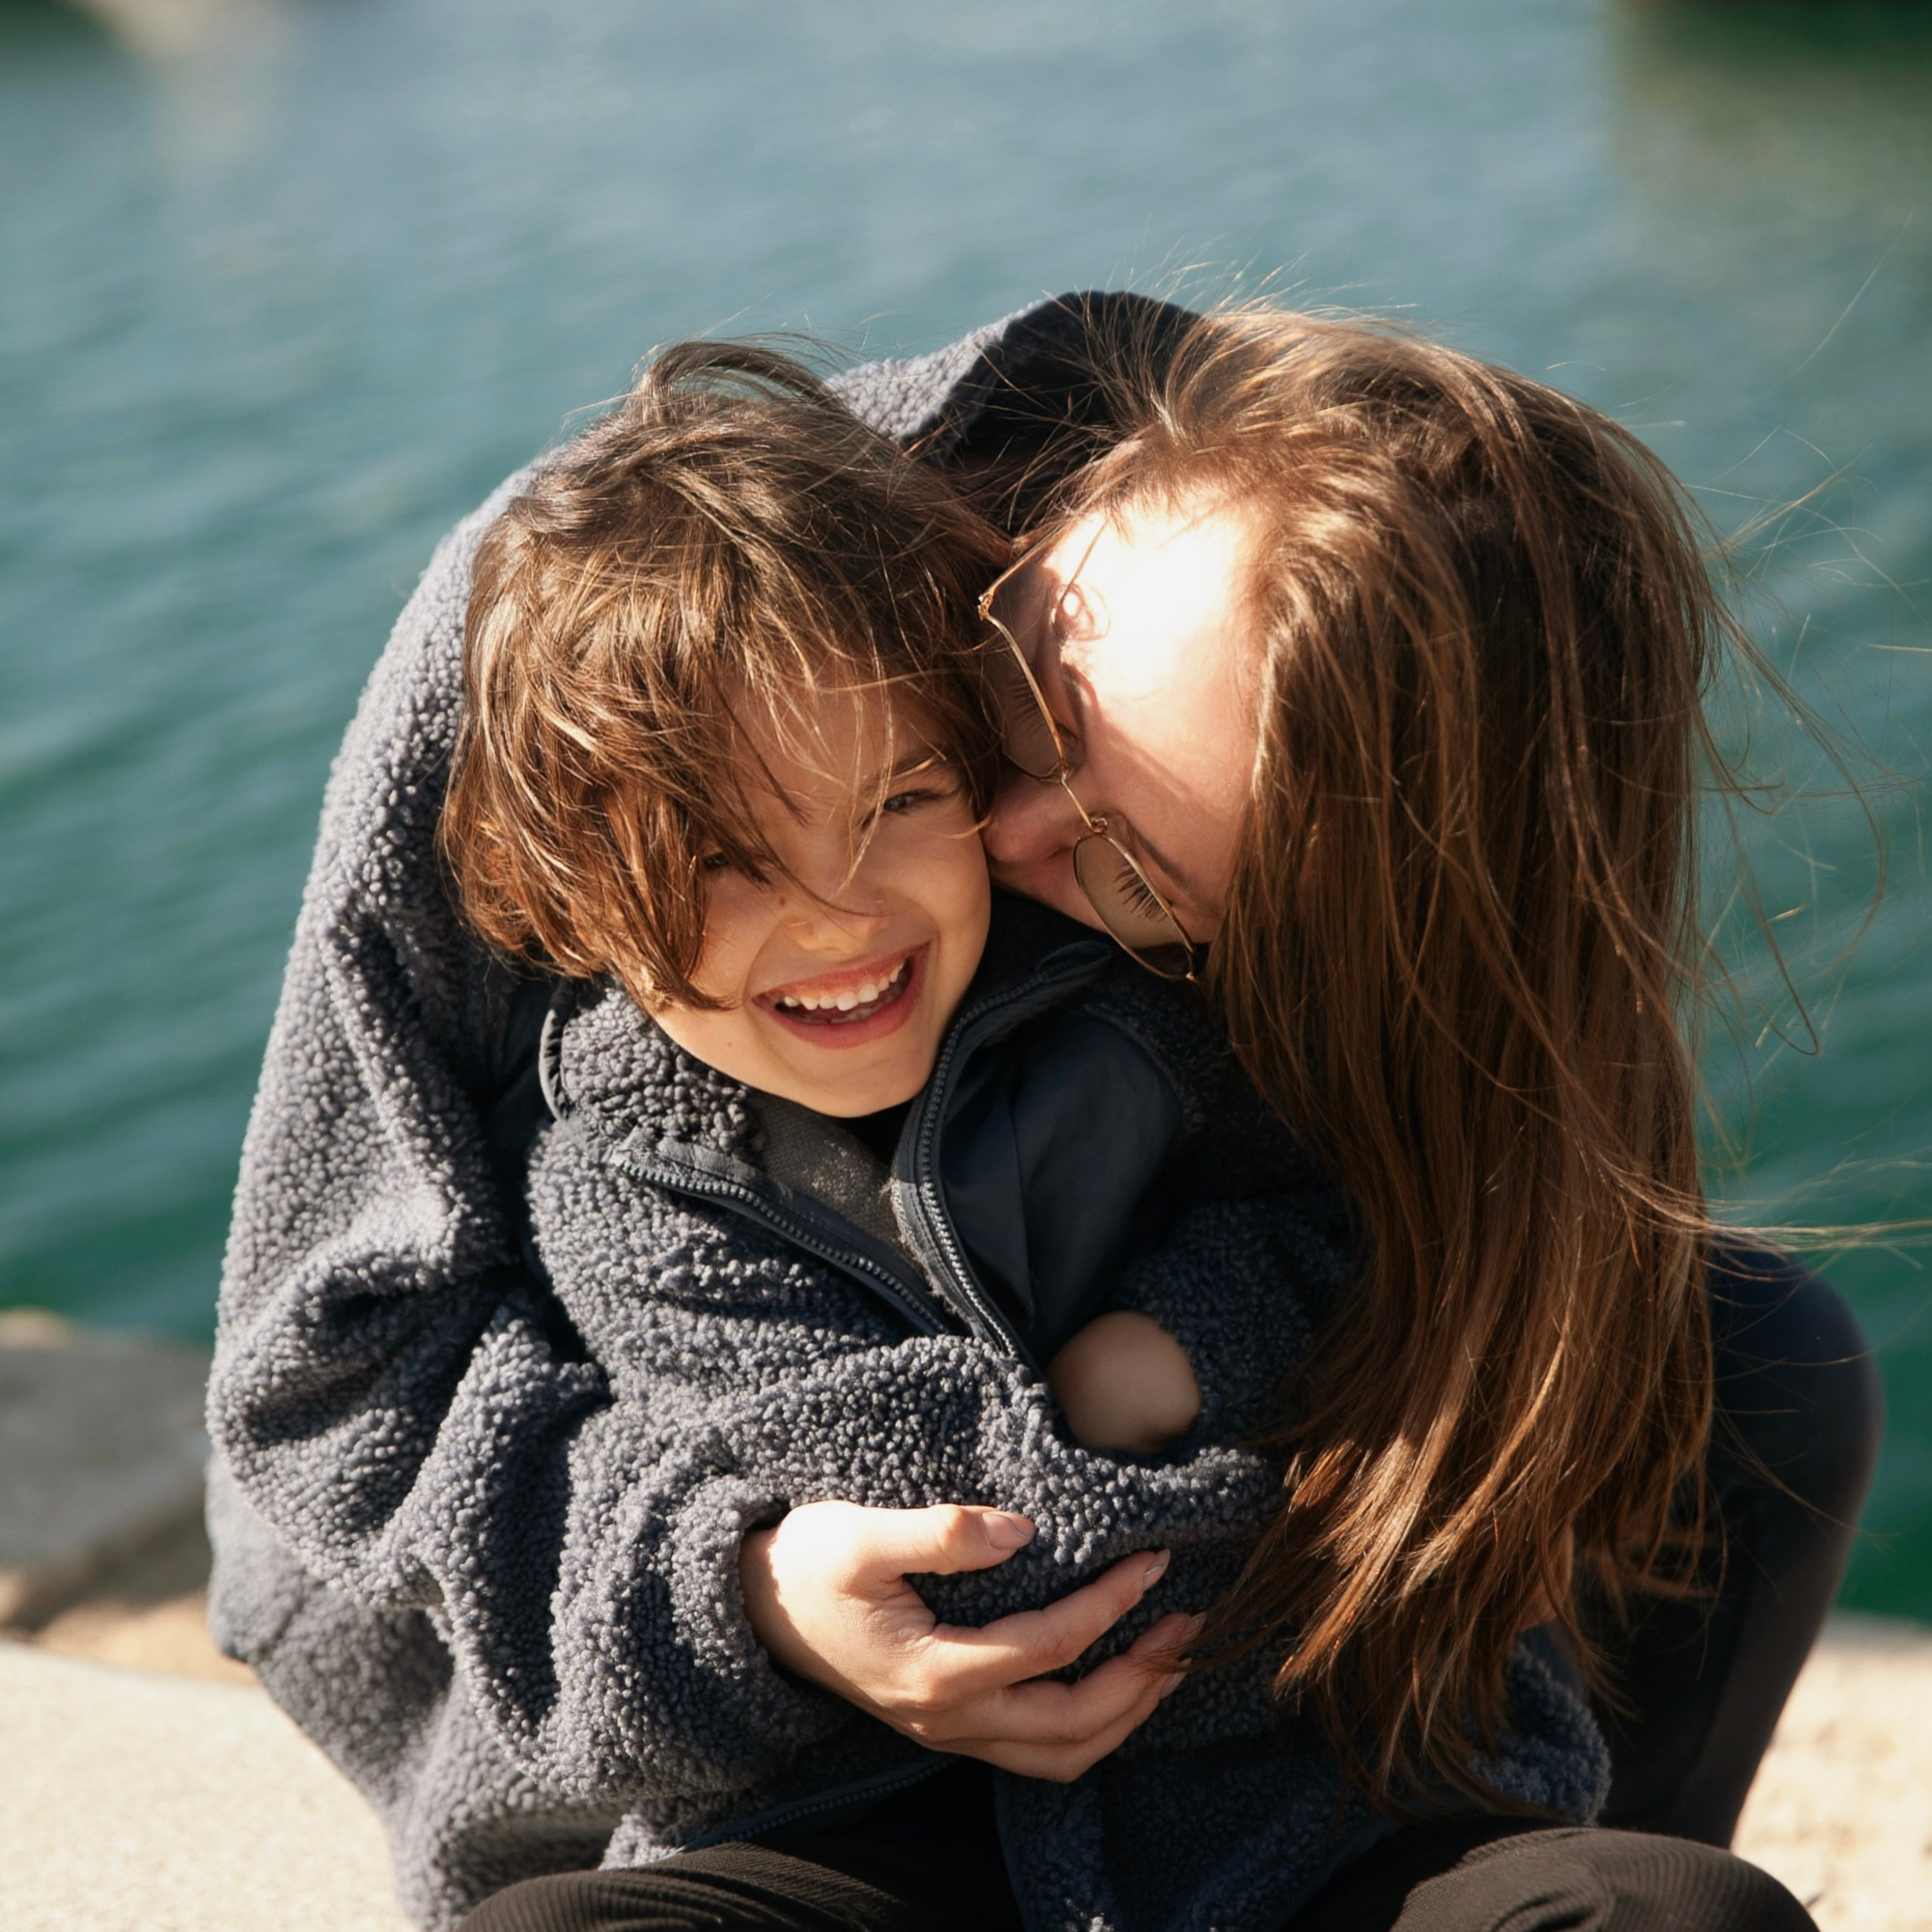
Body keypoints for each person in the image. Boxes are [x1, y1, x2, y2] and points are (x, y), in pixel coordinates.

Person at [203, 297, 1867, 1932]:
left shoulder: (1188, 1007)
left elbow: (1354, 1222)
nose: (992, 845)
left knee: (1750, 1388)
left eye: (1129, 867)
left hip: (1271, 1775)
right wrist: (753, 1593)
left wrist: (1195, 1370)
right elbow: (328, 1362)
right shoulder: (588, 649)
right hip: (810, 1754)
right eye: (1025, 701)